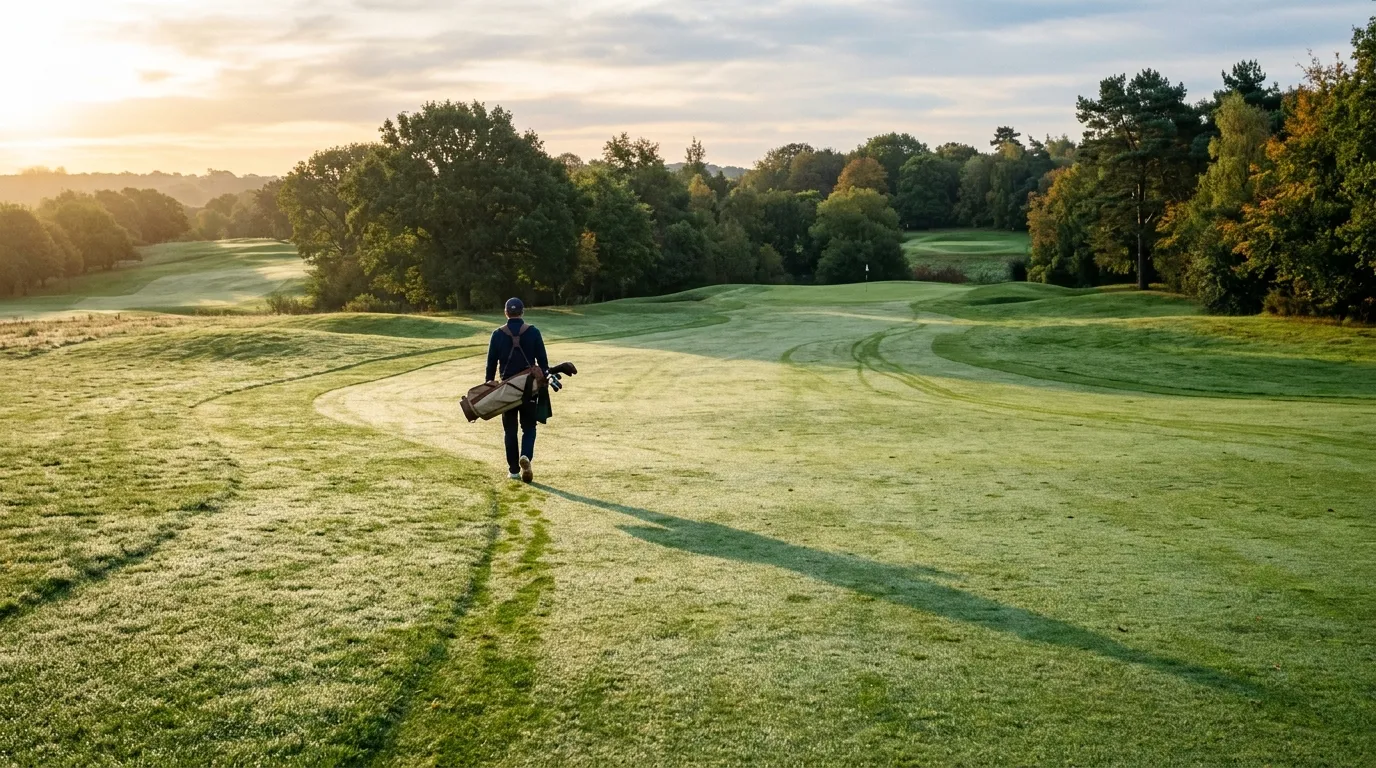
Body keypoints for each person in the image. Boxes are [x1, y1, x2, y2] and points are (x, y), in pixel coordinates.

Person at [486, 297, 548, 483]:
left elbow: (491, 364)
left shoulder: (497, 334)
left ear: (506, 312)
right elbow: (543, 363)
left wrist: (489, 383)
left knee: (510, 430)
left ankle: (513, 470)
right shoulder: (533, 332)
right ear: (522, 312)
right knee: (529, 427)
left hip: (507, 389)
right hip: (529, 388)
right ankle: (526, 456)